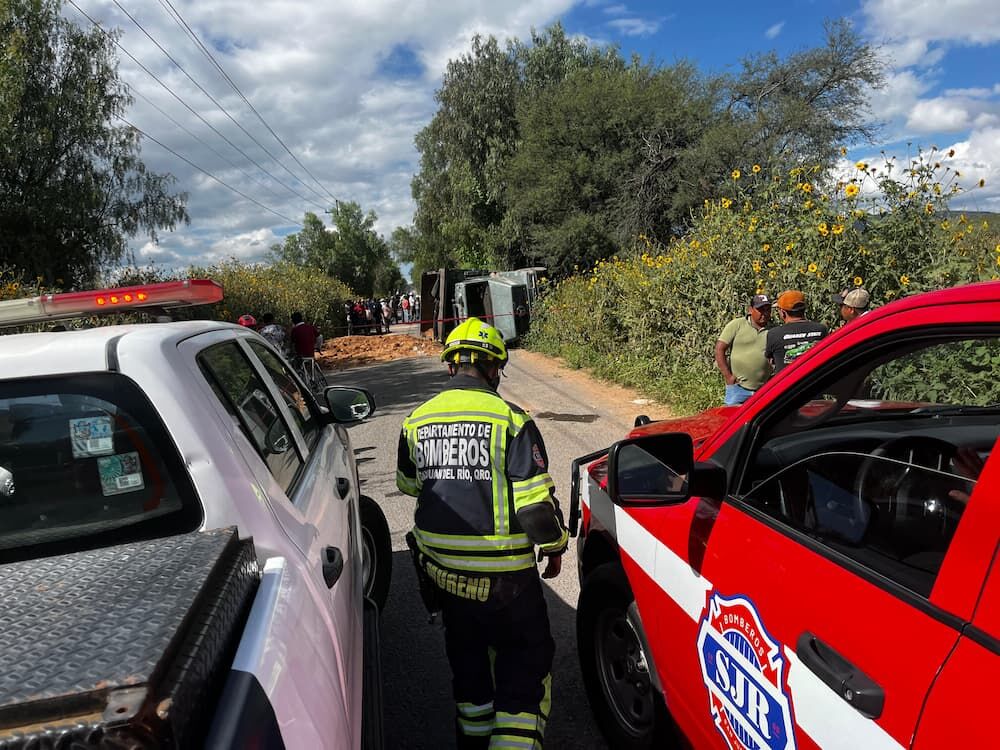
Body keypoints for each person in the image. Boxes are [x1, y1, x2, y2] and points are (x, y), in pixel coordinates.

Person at [396, 317, 568, 750]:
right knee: (525, 677)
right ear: (494, 370)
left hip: (446, 580)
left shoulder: (415, 421)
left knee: (471, 679)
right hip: (508, 585)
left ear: (451, 367)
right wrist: (557, 545)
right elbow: (533, 510)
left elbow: (410, 485)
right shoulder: (511, 420)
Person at [715, 294, 773, 405]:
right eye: (760, 310)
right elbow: (719, 349)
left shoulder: (772, 330)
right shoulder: (737, 325)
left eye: (768, 310)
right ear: (750, 310)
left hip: (763, 390)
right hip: (738, 388)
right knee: (733, 419)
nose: (765, 314)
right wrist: (728, 377)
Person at [765, 290, 828, 374]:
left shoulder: (774, 334)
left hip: (789, 385)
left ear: (783, 313)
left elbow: (770, 361)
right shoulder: (821, 330)